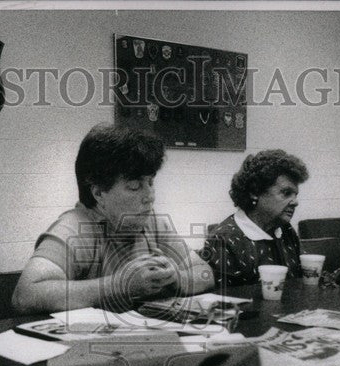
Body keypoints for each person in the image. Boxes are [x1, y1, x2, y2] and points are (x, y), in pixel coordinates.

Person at [11, 124, 213, 315]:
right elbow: (26, 295)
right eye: (135, 186)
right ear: (99, 193)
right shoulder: (75, 227)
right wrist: (119, 285)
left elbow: (204, 272)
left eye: (150, 182)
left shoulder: (152, 222)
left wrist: (178, 277)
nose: (150, 196)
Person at [201, 150, 309, 287]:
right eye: (286, 193)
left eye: (295, 194)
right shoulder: (224, 239)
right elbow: (224, 299)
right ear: (255, 192)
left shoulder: (285, 229)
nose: (295, 202)